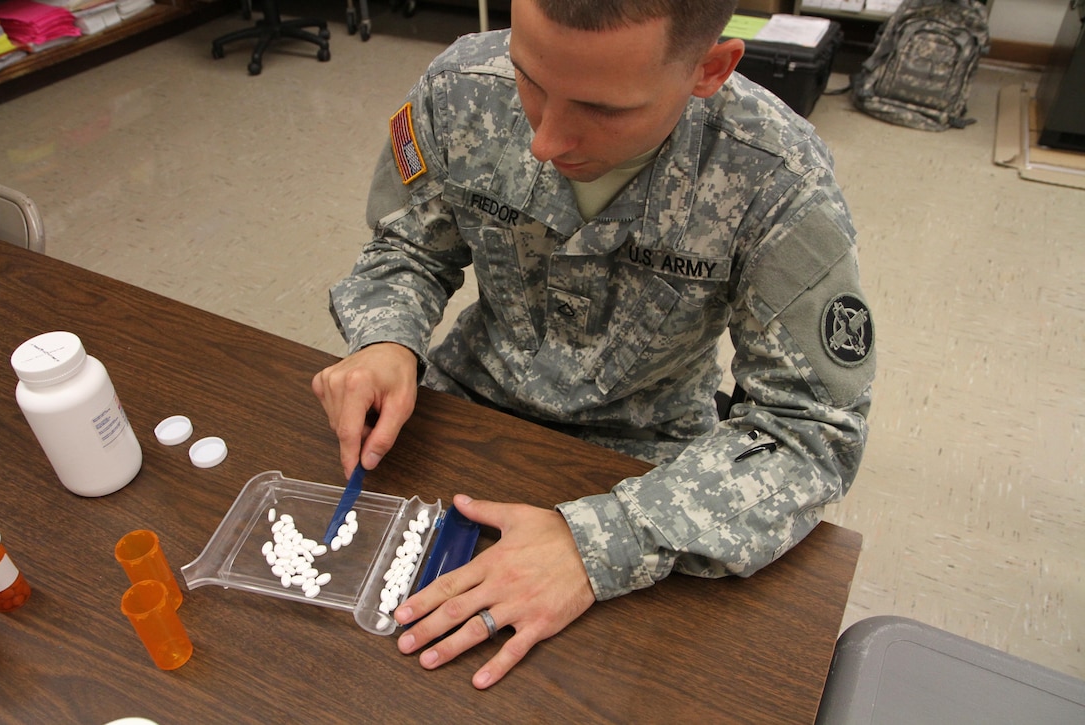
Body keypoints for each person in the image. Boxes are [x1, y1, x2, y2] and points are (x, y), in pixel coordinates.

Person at [312, 0, 875, 690]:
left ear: (709, 68)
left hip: (650, 461)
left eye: (603, 110)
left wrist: (601, 544)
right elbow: (405, 246)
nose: (545, 141)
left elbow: (810, 429)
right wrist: (386, 341)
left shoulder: (777, 177)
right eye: (529, 80)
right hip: (462, 412)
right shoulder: (459, 84)